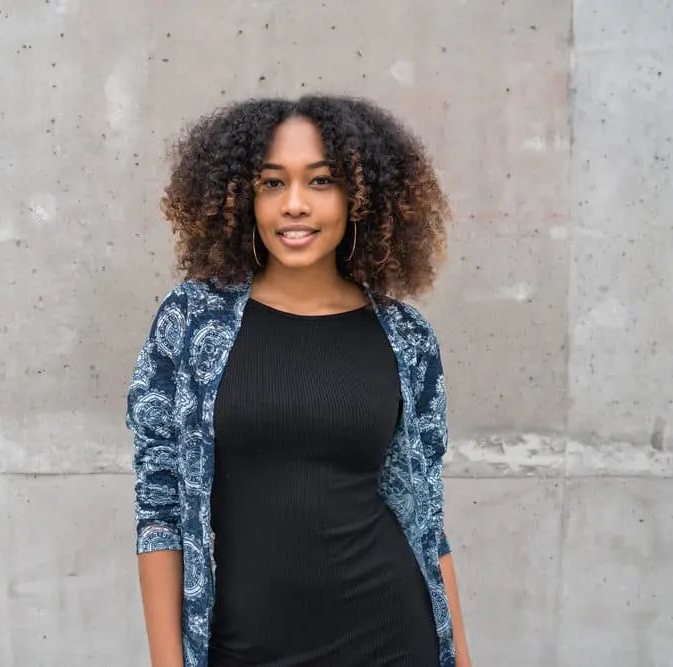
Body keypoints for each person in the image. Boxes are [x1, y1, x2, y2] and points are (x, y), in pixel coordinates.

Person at [125, 95, 472, 667]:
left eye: (321, 181)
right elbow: (160, 511)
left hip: (389, 638)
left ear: (360, 197)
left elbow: (426, 522)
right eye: (271, 184)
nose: (294, 204)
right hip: (242, 647)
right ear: (241, 199)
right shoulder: (191, 321)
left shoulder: (406, 337)